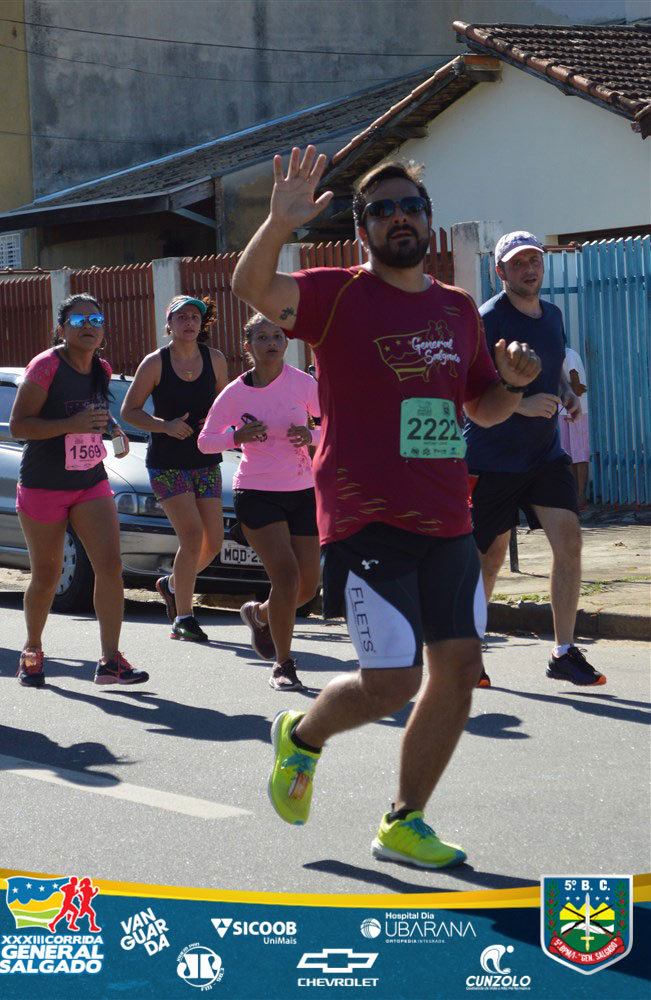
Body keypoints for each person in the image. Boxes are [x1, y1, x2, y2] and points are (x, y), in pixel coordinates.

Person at [230, 146, 541, 869]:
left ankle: (404, 821)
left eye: (410, 207)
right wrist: (279, 223)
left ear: (428, 221)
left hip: (448, 517)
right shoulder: (336, 294)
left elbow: (482, 409)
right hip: (365, 515)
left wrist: (514, 385)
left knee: (458, 669)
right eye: (382, 209)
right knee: (393, 681)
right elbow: (250, 286)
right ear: (362, 227)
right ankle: (301, 737)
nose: (399, 217)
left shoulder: (457, 308)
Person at [463, 232, 605, 689]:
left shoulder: (553, 316)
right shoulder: (487, 319)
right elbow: (470, 390)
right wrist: (520, 404)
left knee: (570, 541)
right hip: (492, 457)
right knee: (489, 559)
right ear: (500, 271)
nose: (529, 269)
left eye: (534, 261)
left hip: (544, 454)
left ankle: (563, 652)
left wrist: (567, 395)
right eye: (518, 263)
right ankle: (467, 652)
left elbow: (552, 371)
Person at [9, 293, 149, 688]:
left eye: (96, 320)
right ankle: (32, 651)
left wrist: (112, 428)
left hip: (90, 479)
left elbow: (92, 416)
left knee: (110, 565)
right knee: (47, 574)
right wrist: (70, 425)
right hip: (43, 484)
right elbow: (19, 425)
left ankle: (110, 661)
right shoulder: (46, 366)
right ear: (61, 329)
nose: (89, 326)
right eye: (78, 320)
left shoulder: (101, 368)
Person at [198, 313, 321, 691]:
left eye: (278, 336)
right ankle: (284, 664)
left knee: (306, 589)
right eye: (263, 337)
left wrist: (311, 435)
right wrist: (236, 437)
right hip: (256, 492)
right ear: (248, 346)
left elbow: (335, 425)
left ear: (287, 343)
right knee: (286, 576)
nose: (272, 343)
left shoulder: (303, 383)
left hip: (302, 490)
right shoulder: (236, 394)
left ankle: (261, 615)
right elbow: (205, 441)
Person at [121, 295, 227, 641]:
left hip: (205, 460)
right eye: (181, 317)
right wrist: (164, 426)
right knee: (192, 536)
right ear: (169, 324)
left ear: (201, 323)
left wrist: (218, 423)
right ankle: (184, 617)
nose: (189, 322)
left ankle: (170, 584)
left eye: (194, 316)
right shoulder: (156, 362)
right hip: (167, 463)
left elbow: (225, 404)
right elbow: (129, 411)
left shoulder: (215, 359)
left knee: (214, 542)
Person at [559, 346, 590, 508]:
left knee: (579, 455)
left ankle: (580, 496)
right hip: (563, 411)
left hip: (578, 411)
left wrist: (562, 388)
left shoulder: (569, 355)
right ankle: (574, 495)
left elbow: (577, 389)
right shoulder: (556, 355)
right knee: (568, 455)